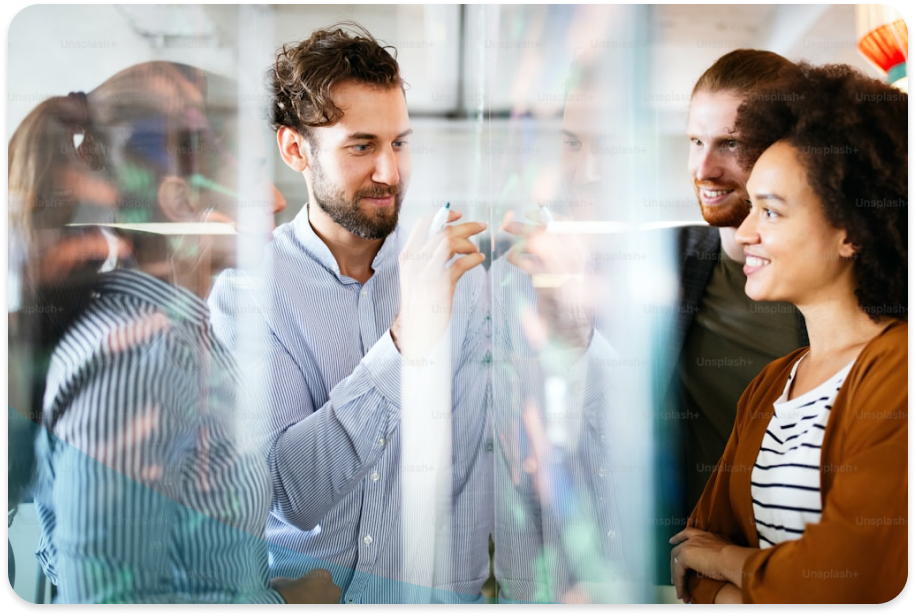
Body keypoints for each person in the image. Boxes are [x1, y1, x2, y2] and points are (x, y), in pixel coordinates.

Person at [8, 61, 340, 604]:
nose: (276, 199)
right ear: (184, 204)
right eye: (252, 170)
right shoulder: (140, 359)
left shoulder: (183, 338)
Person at [208, 24, 493, 603]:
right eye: (362, 146)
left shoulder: (463, 277)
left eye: (400, 143)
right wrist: (405, 341)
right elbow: (292, 491)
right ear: (295, 150)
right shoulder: (246, 293)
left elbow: (476, 471)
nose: (390, 173)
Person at [670, 62, 908, 604]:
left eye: (771, 212)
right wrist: (740, 581)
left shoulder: (897, 368)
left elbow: (848, 573)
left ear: (851, 232)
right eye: (753, 207)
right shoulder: (774, 384)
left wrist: (732, 570)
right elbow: (690, 548)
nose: (747, 230)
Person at [654, 51, 809, 577]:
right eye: (695, 142)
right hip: (685, 564)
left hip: (809, 567)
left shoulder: (843, 284)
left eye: (730, 144)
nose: (703, 169)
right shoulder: (663, 263)